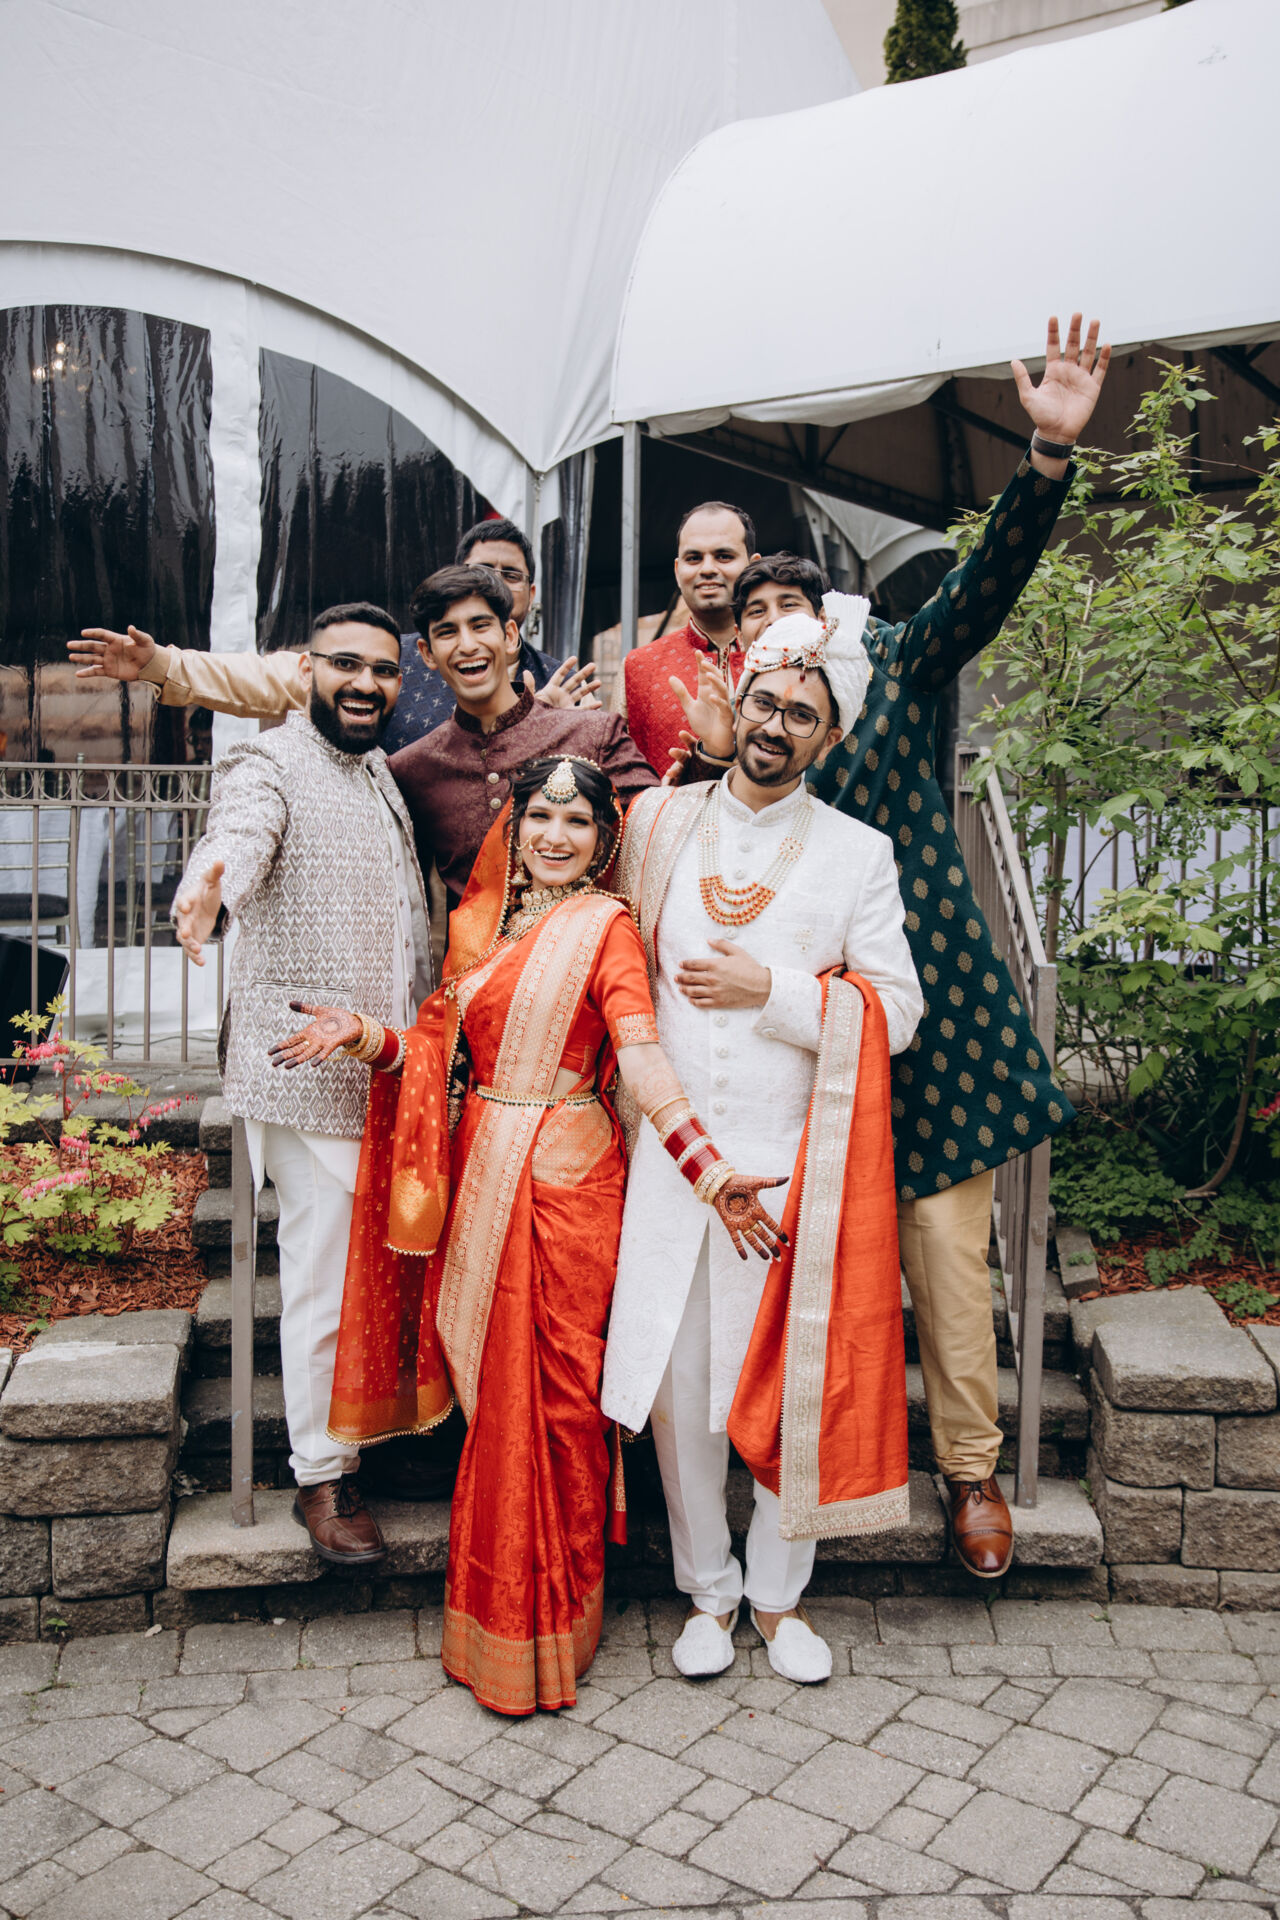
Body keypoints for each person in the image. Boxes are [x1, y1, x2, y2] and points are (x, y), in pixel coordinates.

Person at [271, 754, 787, 1715]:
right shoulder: (486, 931)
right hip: (484, 1181)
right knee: (499, 1411)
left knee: (556, 1409)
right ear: (515, 829)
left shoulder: (608, 928)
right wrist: (366, 1037)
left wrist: (708, 1170)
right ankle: (498, 1623)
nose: (555, 835)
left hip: (568, 1192)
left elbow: (641, 1055)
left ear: (603, 841)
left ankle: (555, 1622)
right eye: (541, 817)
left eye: (577, 822)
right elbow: (439, 1055)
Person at [723, 314, 1109, 1579]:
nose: (777, 635)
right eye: (753, 623)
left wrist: (1043, 458)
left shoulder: (900, 661)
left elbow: (984, 583)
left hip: (927, 1017)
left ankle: (970, 1473)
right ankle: (784, 1470)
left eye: (790, 609)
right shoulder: (745, 741)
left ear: (826, 616)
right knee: (804, 1257)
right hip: (794, 1032)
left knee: (946, 1252)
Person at [602, 595, 924, 1685]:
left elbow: (898, 1008)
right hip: (672, 1160)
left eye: (801, 714)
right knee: (679, 1383)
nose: (776, 724)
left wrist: (773, 991)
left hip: (791, 1172)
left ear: (829, 738)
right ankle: (708, 1592)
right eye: (765, 702)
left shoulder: (857, 853)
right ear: (734, 703)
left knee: (790, 1385)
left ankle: (781, 1599)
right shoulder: (656, 822)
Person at [169, 602, 433, 1566]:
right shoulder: (270, 759)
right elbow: (241, 833)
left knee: (366, 1275)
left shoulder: (377, 772)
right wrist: (209, 886)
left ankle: (358, 1437)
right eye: (345, 664)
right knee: (322, 1280)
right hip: (304, 1073)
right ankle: (322, 1476)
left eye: (384, 670)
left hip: (379, 1068)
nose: (366, 683)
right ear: (306, 670)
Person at [68, 519, 598, 751]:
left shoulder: (561, 682)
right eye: (481, 571)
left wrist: (545, 723)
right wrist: (163, 664)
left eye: (510, 575)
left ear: (529, 596)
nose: (495, 583)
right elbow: (270, 678)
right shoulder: (387, 662)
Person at [389, 565, 663, 907]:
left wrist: (708, 757)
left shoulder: (594, 734)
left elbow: (661, 835)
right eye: (447, 632)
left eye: (480, 625)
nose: (468, 645)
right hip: (471, 943)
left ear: (509, 636)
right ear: (427, 653)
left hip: (588, 938)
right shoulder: (412, 769)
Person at [620, 500, 758, 771]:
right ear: (677, 570)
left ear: (753, 566)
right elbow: (618, 776)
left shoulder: (785, 656)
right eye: (693, 558)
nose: (707, 569)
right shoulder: (638, 667)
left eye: (723, 556)